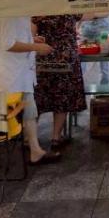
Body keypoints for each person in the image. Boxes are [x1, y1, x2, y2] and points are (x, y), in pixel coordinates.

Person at [0, 16, 58, 169]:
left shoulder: (21, 15)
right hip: (10, 76)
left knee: (29, 111)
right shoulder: (10, 17)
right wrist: (35, 47)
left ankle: (35, 151)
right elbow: (8, 44)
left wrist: (32, 41)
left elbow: (15, 39)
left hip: (20, 74)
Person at [33, 14, 87, 150]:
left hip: (44, 58)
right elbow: (91, 13)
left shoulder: (38, 12)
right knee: (62, 97)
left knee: (39, 98)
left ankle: (30, 139)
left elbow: (31, 36)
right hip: (66, 57)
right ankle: (55, 138)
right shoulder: (69, 9)